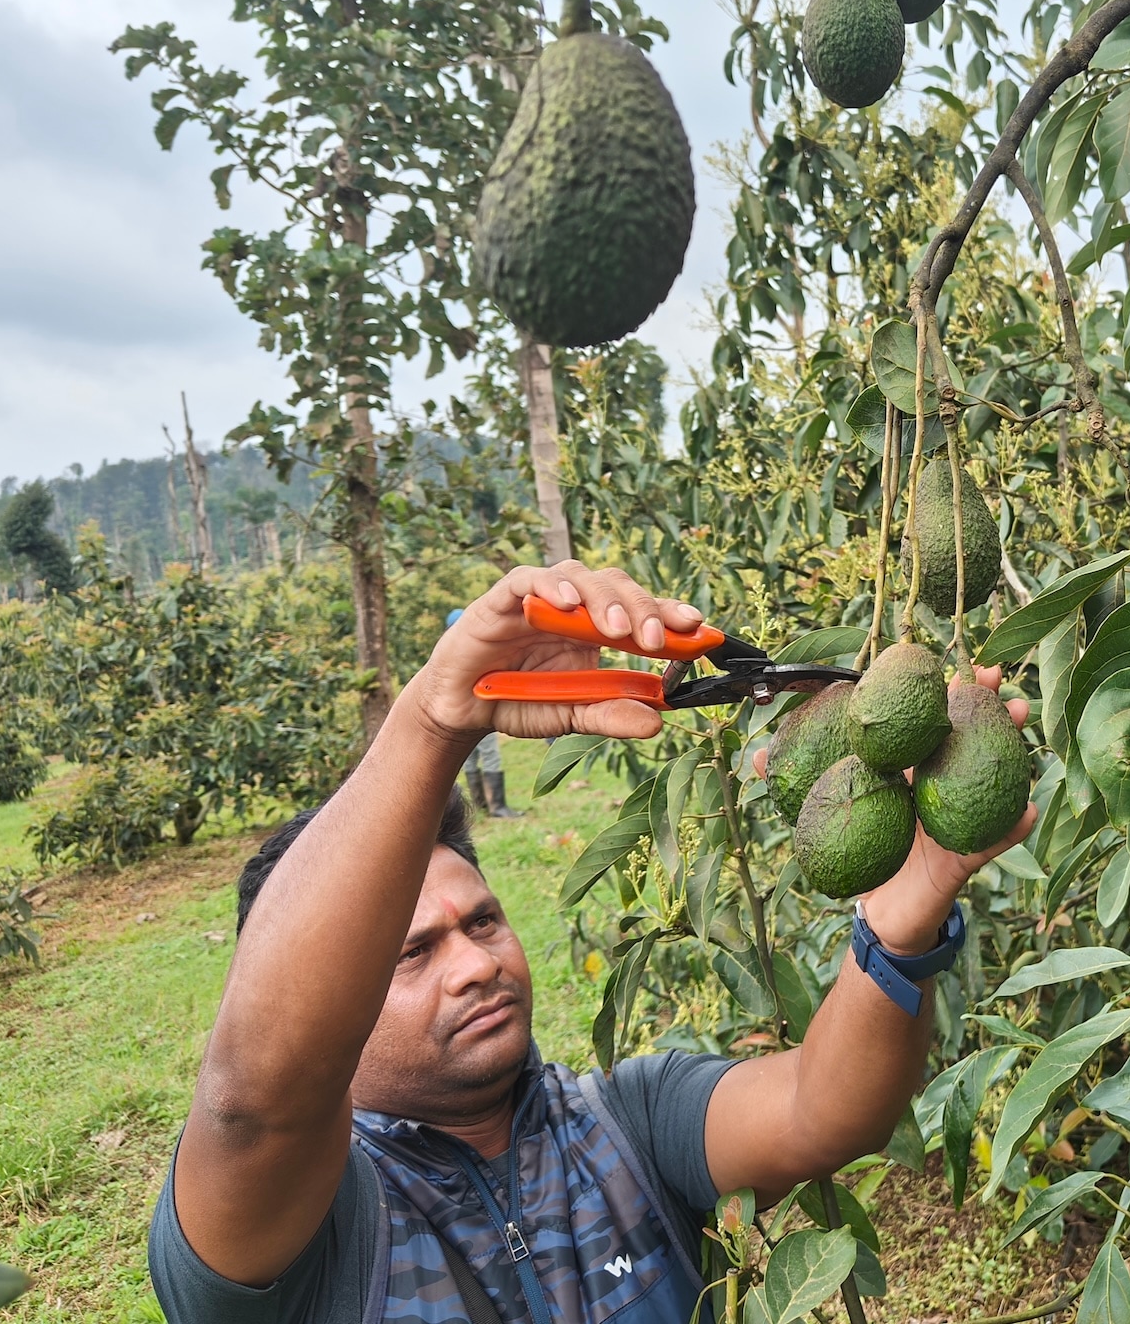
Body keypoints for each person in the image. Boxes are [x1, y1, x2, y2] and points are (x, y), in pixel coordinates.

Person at [149, 561, 1033, 1324]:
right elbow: (258, 1101)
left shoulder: (625, 1118)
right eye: (409, 955)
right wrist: (432, 726)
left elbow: (821, 1111)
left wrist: (909, 905)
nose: (476, 965)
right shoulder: (314, 1224)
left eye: (483, 921)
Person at [445, 607, 516, 818]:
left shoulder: (446, 651)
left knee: (469, 758)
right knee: (490, 754)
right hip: (480, 710)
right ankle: (497, 806)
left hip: (459, 714)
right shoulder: (474, 649)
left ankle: (480, 804)